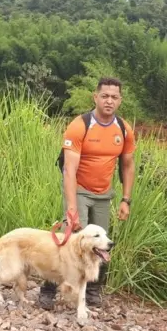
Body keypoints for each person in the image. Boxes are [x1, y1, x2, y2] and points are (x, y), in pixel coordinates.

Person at [37, 77, 136, 310]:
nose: (109, 101)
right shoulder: (80, 125)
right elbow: (69, 170)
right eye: (104, 96)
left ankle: (92, 290)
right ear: (95, 97)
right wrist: (72, 208)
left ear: (120, 100)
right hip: (79, 189)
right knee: (68, 241)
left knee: (101, 244)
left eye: (114, 97)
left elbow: (128, 165)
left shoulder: (123, 128)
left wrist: (125, 200)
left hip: (104, 194)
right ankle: (48, 290)